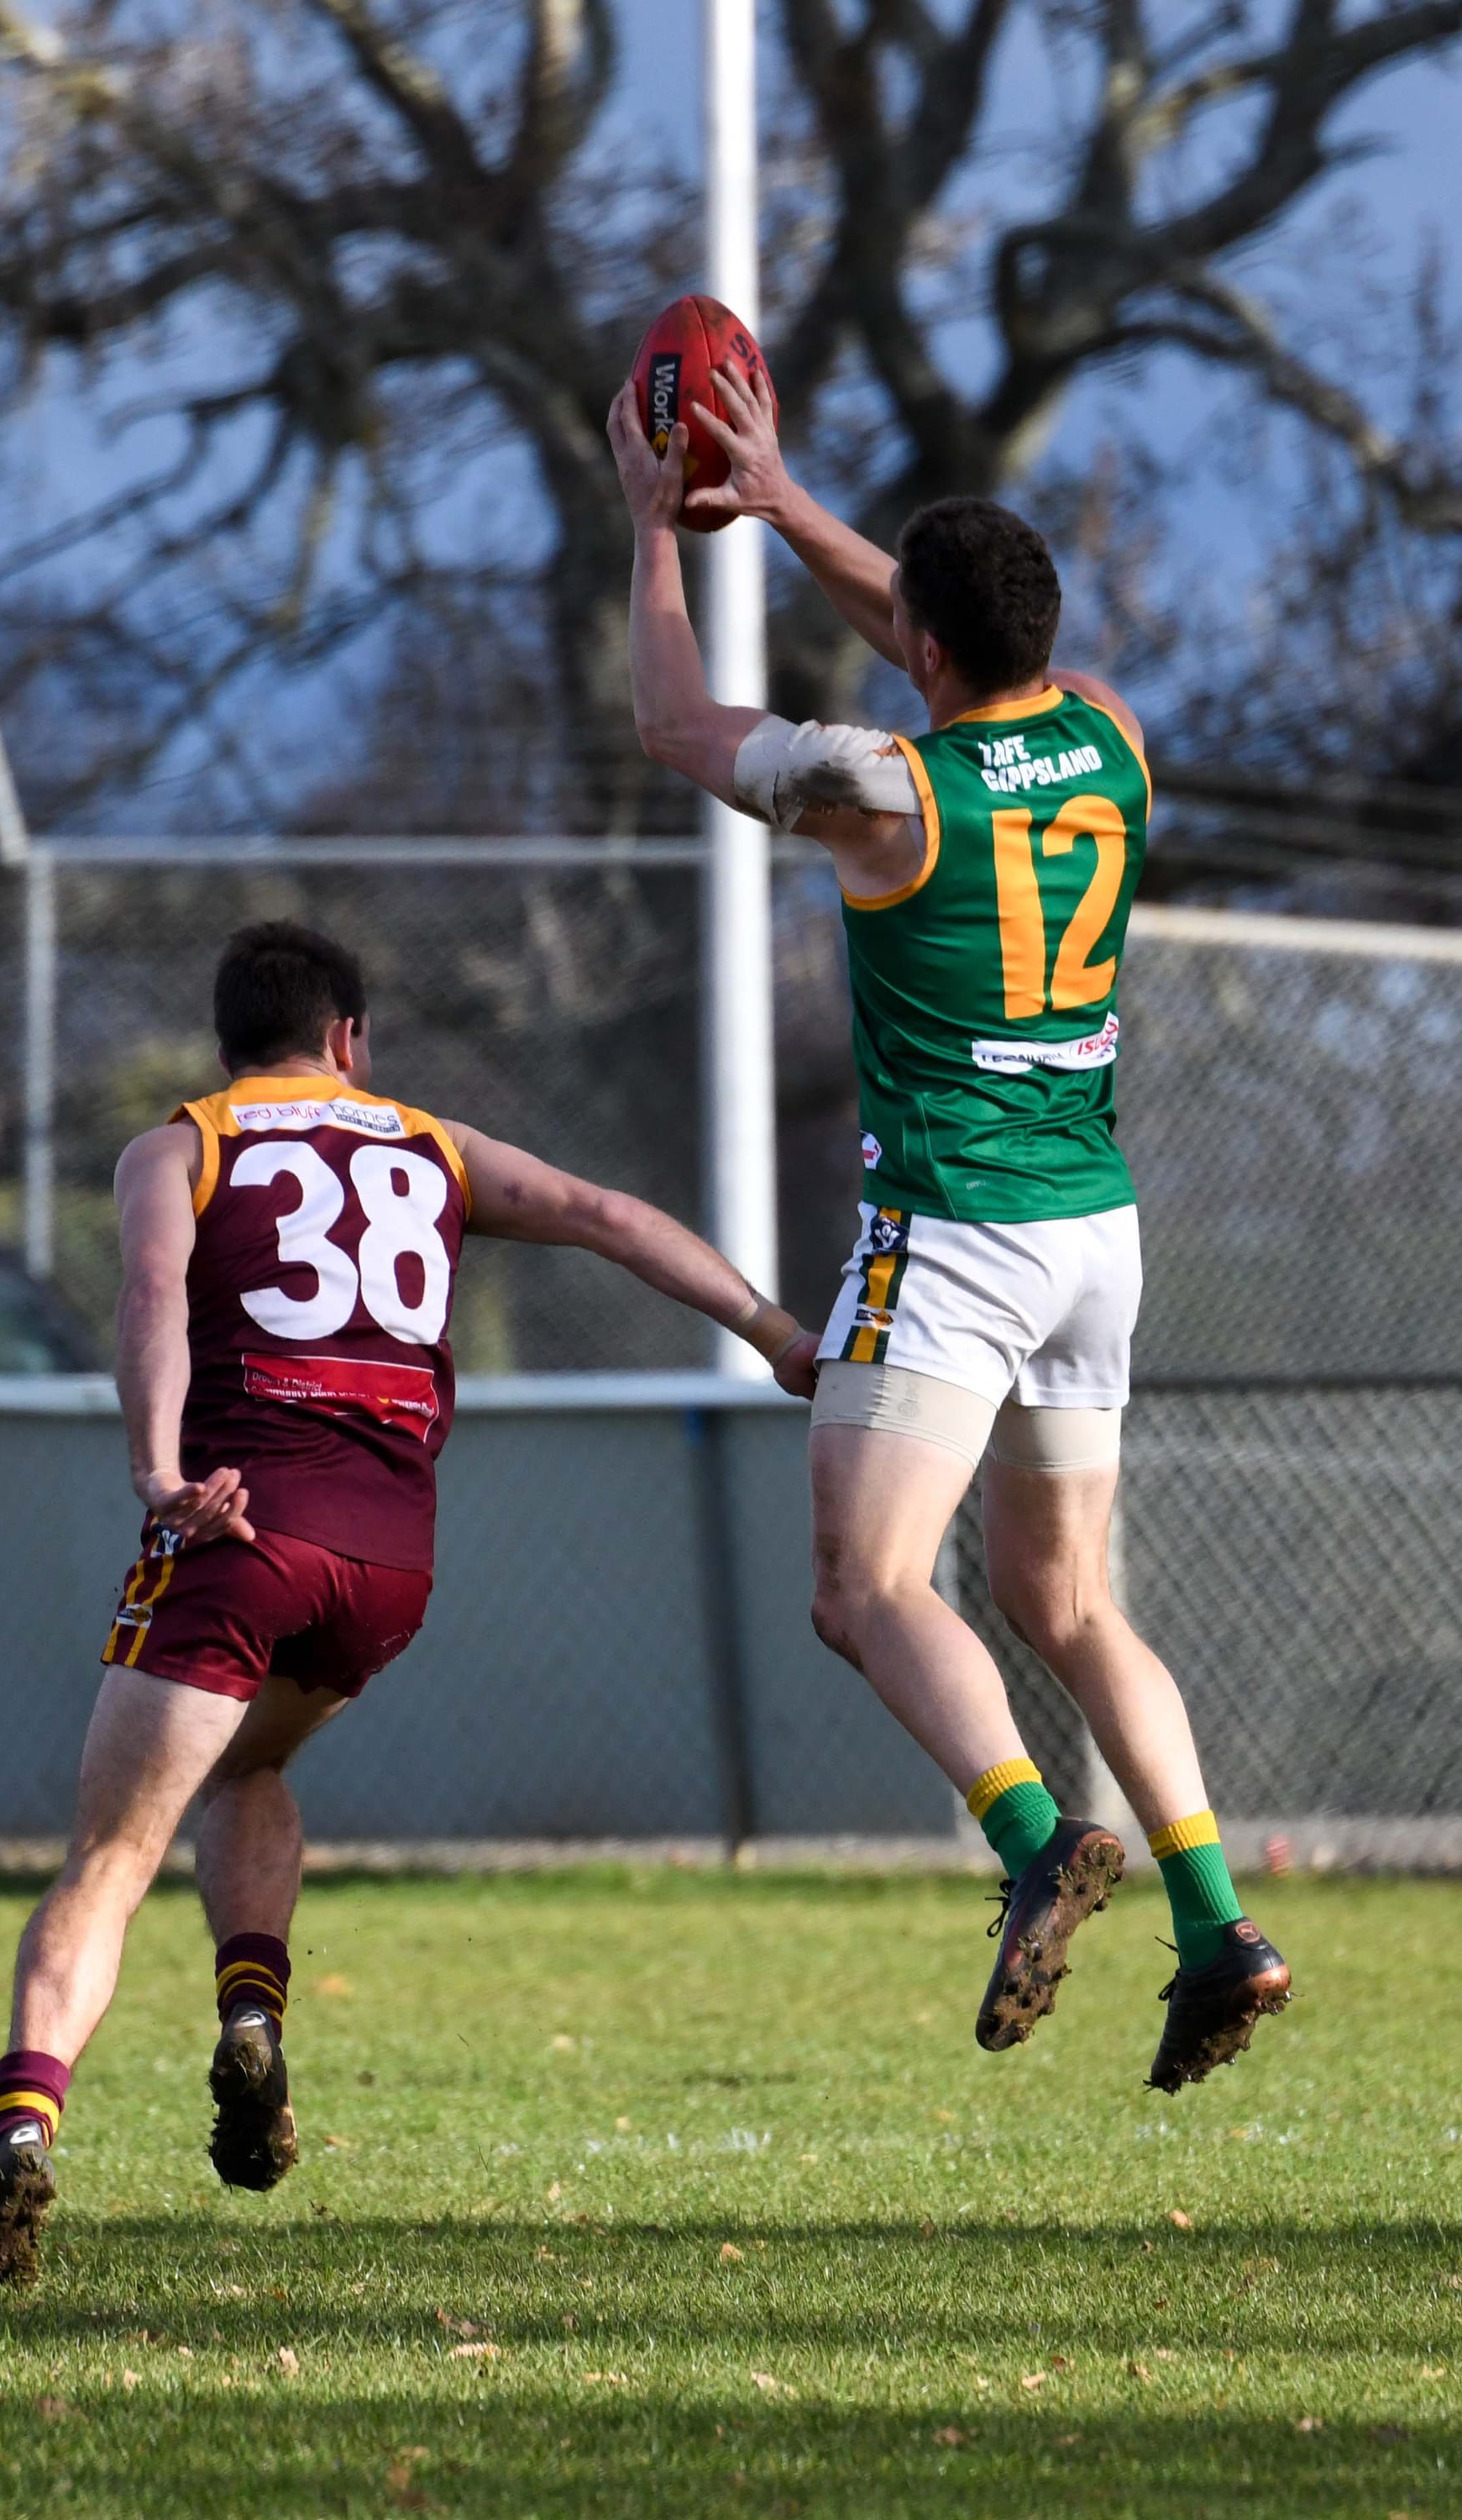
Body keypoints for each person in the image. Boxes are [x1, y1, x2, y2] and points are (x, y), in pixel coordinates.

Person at [0, 919, 811, 2291]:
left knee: (108, 1858)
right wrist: (772, 1333)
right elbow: (610, 1217)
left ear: (227, 1041)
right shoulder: (434, 1142)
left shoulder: (185, 1144)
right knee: (254, 1759)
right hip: (388, 1559)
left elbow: (156, 1295)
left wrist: (158, 1471)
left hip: (242, 1527)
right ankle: (251, 2015)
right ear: (351, 1038)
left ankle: (21, 2127)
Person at [606, 366, 1291, 2093]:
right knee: (1060, 1605)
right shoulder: (1111, 737)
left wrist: (655, 533)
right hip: (1092, 1232)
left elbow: (675, 727)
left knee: (864, 1586)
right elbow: (931, 632)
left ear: (914, 650)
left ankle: (1031, 1840)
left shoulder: (883, 787)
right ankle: (1220, 1927)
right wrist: (772, 502)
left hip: (957, 1230)